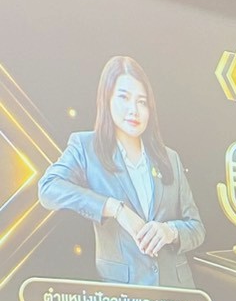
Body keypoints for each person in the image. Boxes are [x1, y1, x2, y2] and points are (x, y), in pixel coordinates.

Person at [38, 55, 204, 287]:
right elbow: (48, 189)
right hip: (123, 294)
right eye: (124, 97)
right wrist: (115, 209)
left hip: (176, 293)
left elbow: (196, 228)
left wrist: (170, 231)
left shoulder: (170, 158)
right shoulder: (86, 147)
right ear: (106, 99)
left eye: (142, 102)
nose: (134, 110)